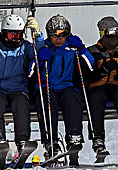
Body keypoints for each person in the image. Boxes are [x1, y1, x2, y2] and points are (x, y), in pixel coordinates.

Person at [0, 14, 44, 156]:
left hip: (17, 87)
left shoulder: (25, 47)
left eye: (17, 36)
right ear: (3, 33)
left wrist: (37, 34)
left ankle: (22, 140)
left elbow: (40, 51)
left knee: (20, 102)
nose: (14, 39)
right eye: (11, 36)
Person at [30, 14, 94, 166]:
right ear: (49, 34)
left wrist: (82, 49)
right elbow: (30, 72)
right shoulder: (43, 47)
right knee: (46, 98)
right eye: (55, 35)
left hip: (66, 86)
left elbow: (91, 67)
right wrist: (38, 59)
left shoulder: (72, 48)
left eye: (63, 35)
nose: (59, 39)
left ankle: (74, 137)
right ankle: (51, 141)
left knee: (73, 97)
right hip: (47, 86)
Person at [85, 16, 118, 162]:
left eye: (116, 33)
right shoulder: (92, 52)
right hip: (98, 86)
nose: (113, 38)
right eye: (110, 34)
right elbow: (85, 77)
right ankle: (98, 138)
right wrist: (102, 70)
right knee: (95, 98)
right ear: (102, 34)